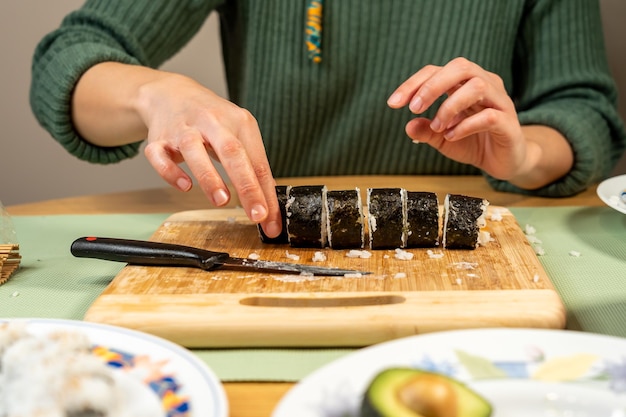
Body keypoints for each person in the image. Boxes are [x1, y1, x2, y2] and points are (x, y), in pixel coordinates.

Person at [30, 0, 626, 238]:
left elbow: (586, 113)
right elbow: (69, 59)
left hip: (478, 232)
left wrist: (522, 155)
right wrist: (154, 94)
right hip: (267, 244)